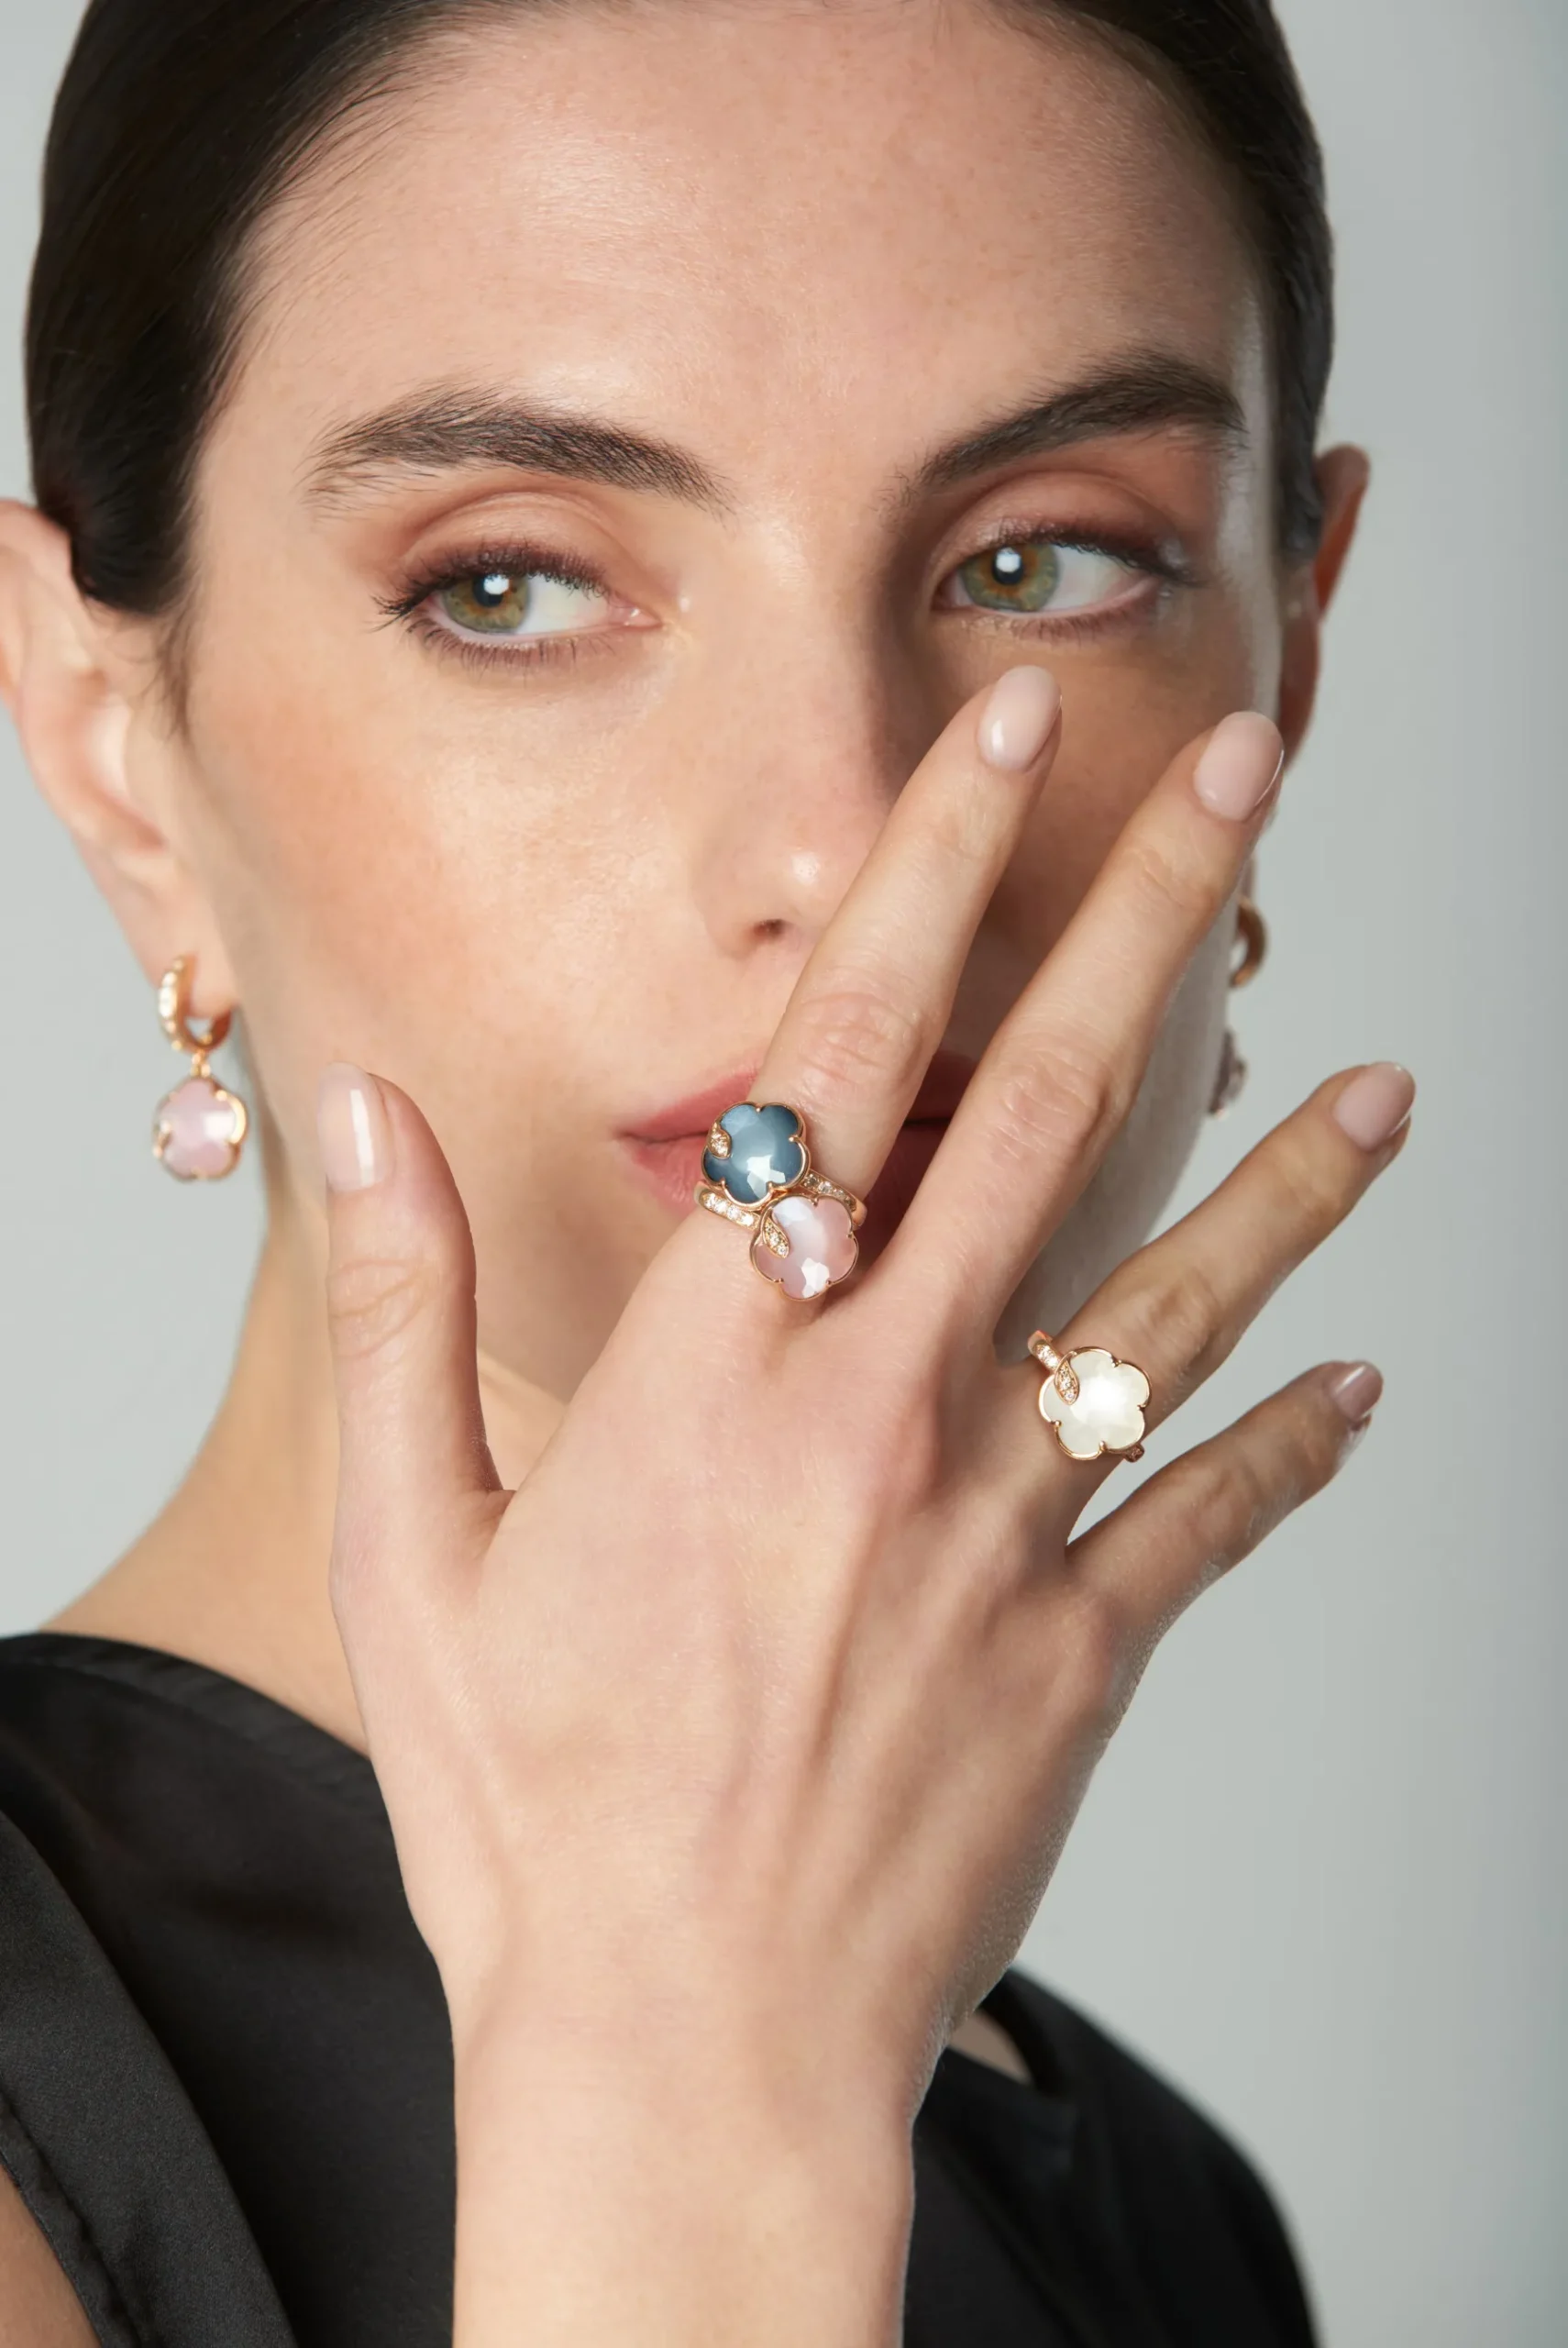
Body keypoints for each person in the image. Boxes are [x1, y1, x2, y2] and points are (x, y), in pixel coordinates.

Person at [0, 0, 1413, 2339]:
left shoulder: (1186, 2223)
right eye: (512, 585)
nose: (844, 844)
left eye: (1048, 559)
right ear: (108, 742)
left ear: (1299, 643)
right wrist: (691, 2111)